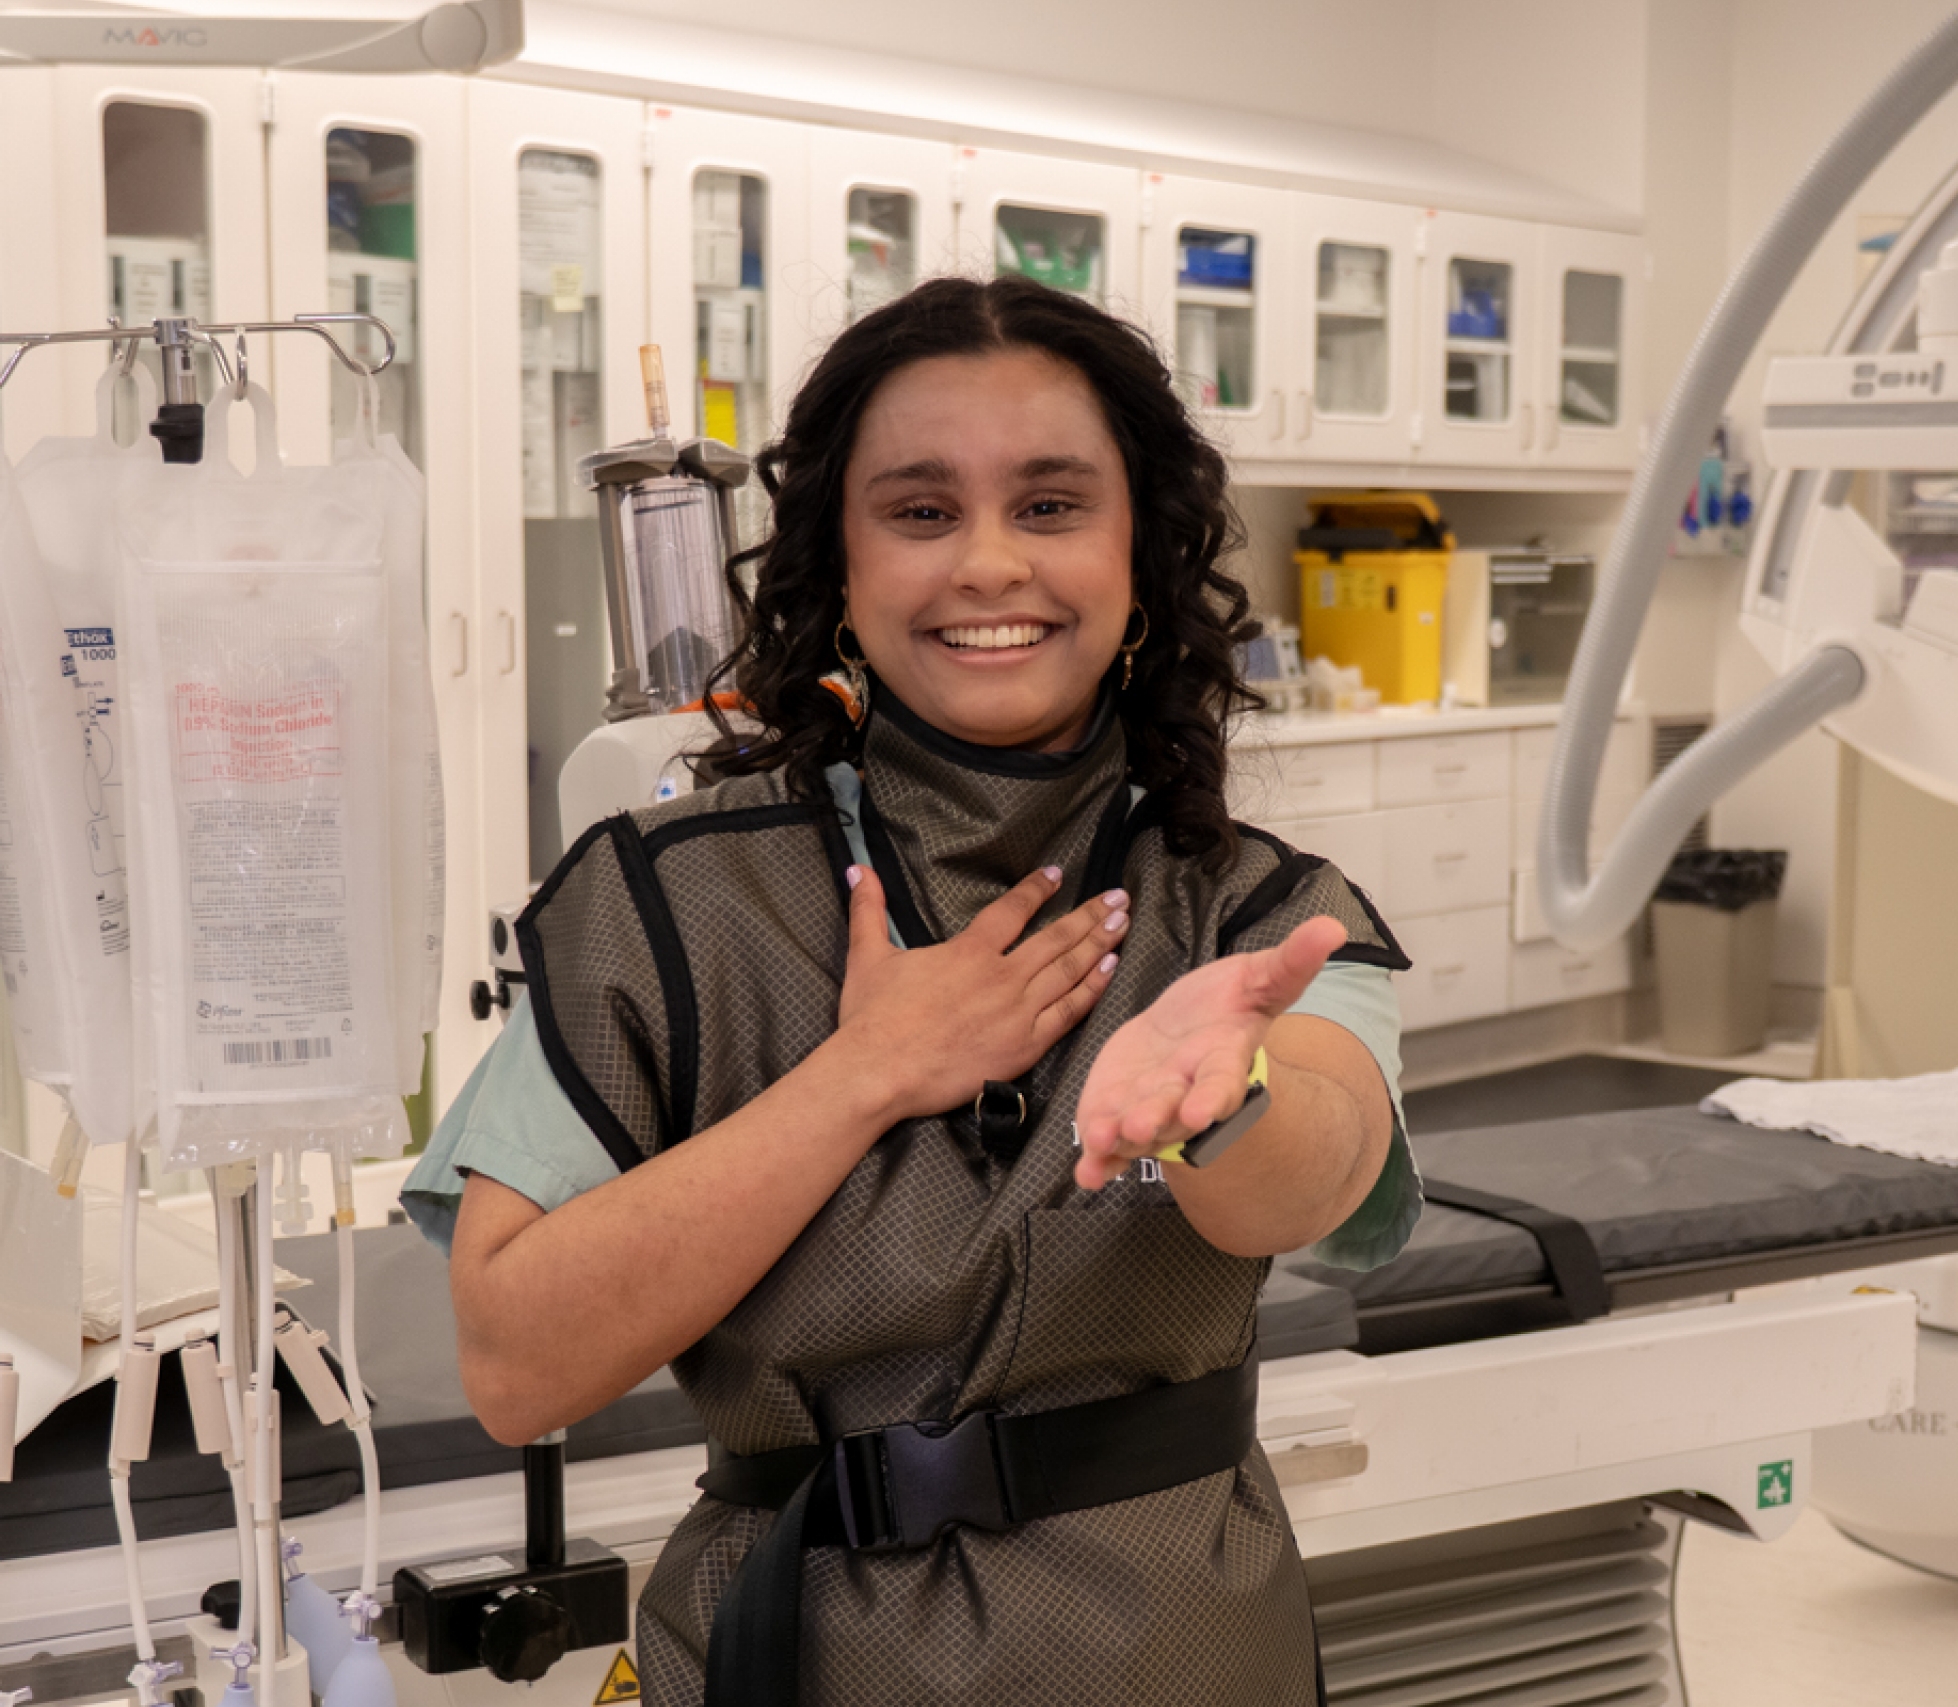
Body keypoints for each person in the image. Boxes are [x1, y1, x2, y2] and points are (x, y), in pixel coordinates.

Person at [400, 273, 1418, 1706]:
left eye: (1052, 506)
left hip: (1175, 1648)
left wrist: (1222, 1101)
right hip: (799, 1647)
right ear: (841, 561)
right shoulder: (670, 904)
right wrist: (865, 1072)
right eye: (922, 511)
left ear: (1142, 557)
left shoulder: (1252, 910)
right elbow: (517, 1364)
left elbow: (1314, 1172)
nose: (989, 565)